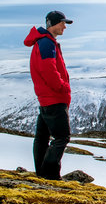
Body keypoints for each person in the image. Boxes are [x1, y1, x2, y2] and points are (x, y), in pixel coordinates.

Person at [23, 10, 73, 180]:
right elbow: (48, 70)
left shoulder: (44, 42)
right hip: (54, 98)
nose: (64, 27)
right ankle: (49, 175)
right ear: (52, 24)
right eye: (62, 23)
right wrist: (62, 87)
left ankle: (41, 172)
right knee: (62, 137)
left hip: (46, 98)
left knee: (42, 137)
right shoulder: (46, 43)